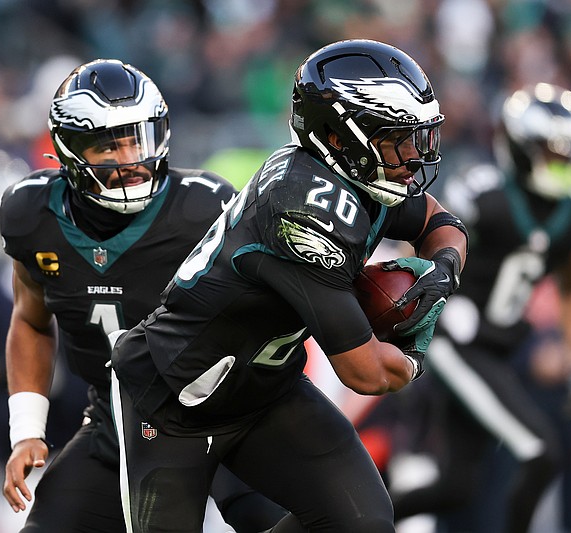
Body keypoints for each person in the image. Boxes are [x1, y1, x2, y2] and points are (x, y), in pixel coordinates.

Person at [110, 39, 469, 532]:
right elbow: (366, 373)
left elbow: (438, 220)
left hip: (265, 389)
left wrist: (444, 268)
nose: (412, 156)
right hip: (174, 395)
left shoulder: (359, 176)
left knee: (362, 523)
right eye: (396, 139)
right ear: (340, 137)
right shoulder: (303, 208)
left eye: (415, 138)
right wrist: (415, 353)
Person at [0, 58, 287, 532]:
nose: (131, 158)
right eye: (109, 144)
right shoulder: (30, 213)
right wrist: (27, 429)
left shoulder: (202, 205)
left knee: (272, 520)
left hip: (220, 412)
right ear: (70, 149)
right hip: (117, 419)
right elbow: (30, 319)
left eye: (138, 137)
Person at [390, 82, 571, 533]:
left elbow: (570, 285)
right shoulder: (485, 196)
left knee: (457, 487)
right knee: (541, 452)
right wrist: (443, 304)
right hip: (456, 343)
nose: (563, 160)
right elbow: (422, 249)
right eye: (552, 149)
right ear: (521, 147)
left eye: (569, 150)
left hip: (498, 347)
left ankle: (354, 520)